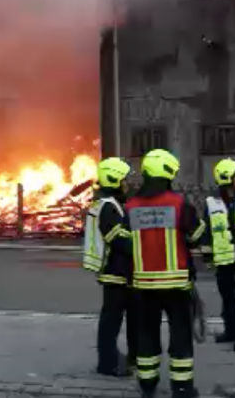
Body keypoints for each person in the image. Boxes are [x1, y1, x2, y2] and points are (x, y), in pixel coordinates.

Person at [126, 149, 206, 398]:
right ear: (169, 172)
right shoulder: (179, 203)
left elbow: (124, 242)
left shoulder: (130, 206)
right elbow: (195, 236)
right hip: (176, 284)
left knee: (146, 333)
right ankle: (182, 387)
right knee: (180, 334)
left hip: (144, 284)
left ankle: (147, 384)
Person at [82, 157, 137, 377]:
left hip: (121, 273)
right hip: (116, 273)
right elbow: (120, 240)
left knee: (127, 319)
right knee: (112, 321)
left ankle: (128, 359)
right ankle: (107, 363)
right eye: (124, 180)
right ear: (114, 180)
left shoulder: (111, 204)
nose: (127, 184)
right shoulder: (108, 207)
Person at [201, 158, 235, 352]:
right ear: (227, 179)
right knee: (228, 298)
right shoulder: (210, 202)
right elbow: (207, 231)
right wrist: (207, 257)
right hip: (223, 260)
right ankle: (231, 331)